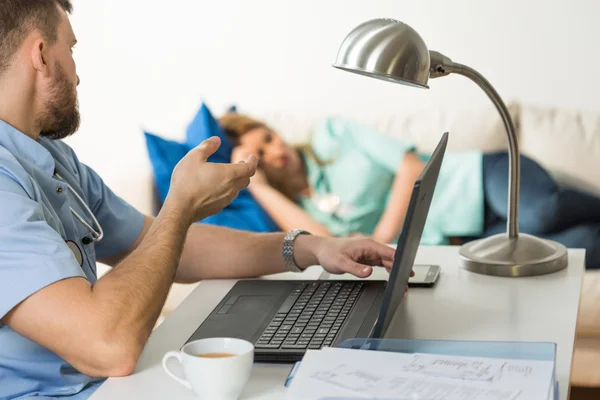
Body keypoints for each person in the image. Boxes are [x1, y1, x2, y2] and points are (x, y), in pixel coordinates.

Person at [0, 2, 399, 398]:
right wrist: (179, 206)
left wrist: (311, 247)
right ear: (40, 56)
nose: (78, 75)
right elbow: (108, 347)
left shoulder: (52, 158)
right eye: (70, 50)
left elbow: (165, 245)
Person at [221, 111, 600, 269]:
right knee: (582, 245)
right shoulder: (295, 209)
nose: (275, 153)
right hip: (460, 236)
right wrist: (259, 186)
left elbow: (410, 165)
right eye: (262, 155)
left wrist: (383, 234)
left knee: (540, 213)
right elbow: (327, 243)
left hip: (477, 180)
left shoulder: (333, 134)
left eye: (269, 139)